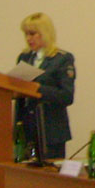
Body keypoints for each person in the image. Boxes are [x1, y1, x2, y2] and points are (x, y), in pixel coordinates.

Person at [14, 12, 76, 159]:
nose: (28, 38)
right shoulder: (24, 57)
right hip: (26, 129)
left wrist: (38, 88)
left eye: (32, 34)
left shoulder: (61, 59)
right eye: (26, 34)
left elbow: (66, 96)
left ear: (45, 33)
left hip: (51, 131)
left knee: (49, 171)